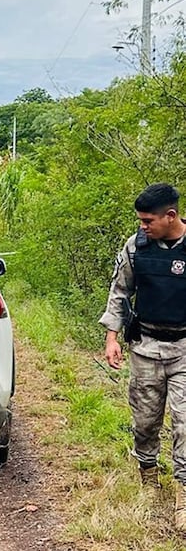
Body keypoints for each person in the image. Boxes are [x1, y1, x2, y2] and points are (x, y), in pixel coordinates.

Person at [101, 182, 186, 532]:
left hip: (185, 349)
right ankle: (148, 474)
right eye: (140, 221)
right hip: (146, 347)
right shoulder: (136, 248)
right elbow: (120, 292)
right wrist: (111, 337)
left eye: (148, 220)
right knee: (146, 420)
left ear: (171, 215)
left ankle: (183, 492)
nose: (143, 226)